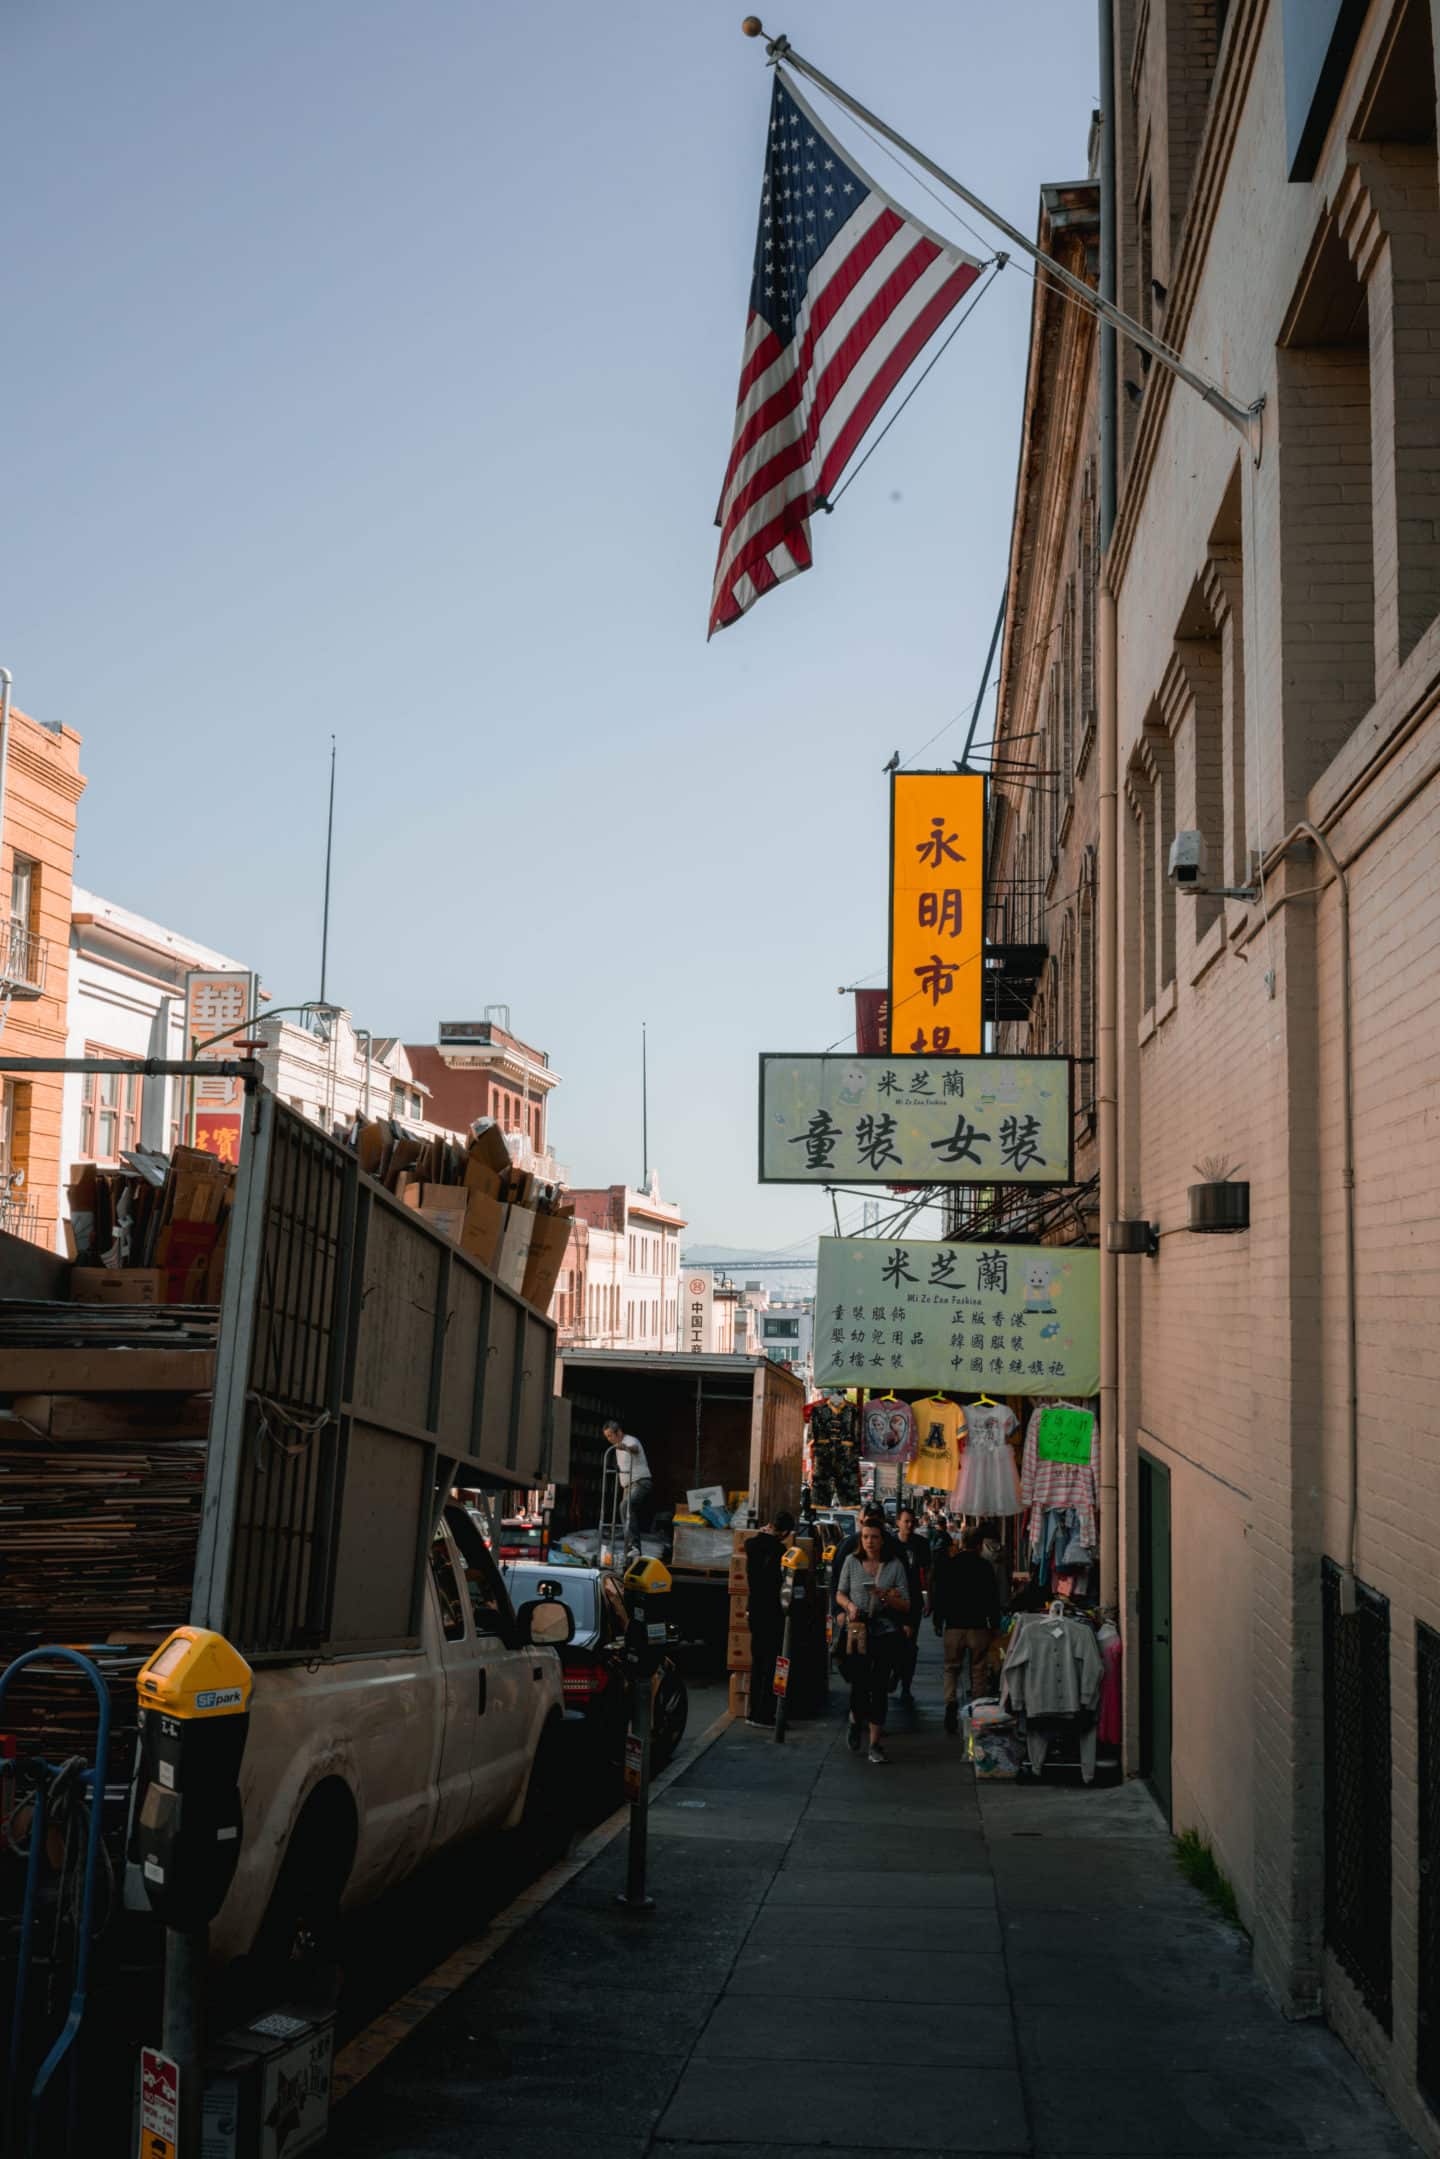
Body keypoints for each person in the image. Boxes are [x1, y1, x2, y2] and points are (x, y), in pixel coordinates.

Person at [835, 1517, 910, 1763]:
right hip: (857, 1632)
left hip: (885, 1633)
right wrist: (849, 1606)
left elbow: (906, 1602)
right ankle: (856, 1721)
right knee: (859, 1685)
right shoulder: (851, 1562)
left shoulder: (894, 1566)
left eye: (874, 1537)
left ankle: (875, 1744)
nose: (869, 1542)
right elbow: (840, 1593)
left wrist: (887, 1597)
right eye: (865, 1536)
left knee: (879, 1688)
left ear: (882, 1539)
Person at [931, 1524, 1002, 1734]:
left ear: (962, 1543)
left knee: (951, 1668)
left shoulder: (949, 1565)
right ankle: (977, 1709)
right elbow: (992, 1599)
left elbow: (941, 1595)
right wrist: (995, 1625)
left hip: (954, 1626)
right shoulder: (985, 1567)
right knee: (978, 1670)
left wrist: (938, 1620)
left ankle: (950, 1702)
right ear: (980, 1546)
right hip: (978, 1627)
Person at [744, 1508, 795, 1728]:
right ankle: (764, 1714)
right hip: (772, 1612)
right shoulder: (779, 1550)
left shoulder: (753, 1544)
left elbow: (753, 1543)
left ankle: (752, 1711)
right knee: (771, 1664)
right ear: (783, 1532)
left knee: (757, 1663)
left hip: (754, 1609)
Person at [892, 1507, 930, 1706]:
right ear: (898, 1522)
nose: (909, 1525)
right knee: (893, 1642)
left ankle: (905, 1685)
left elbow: (927, 1572)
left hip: (913, 1600)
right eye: (905, 1521)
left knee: (909, 1645)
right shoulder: (890, 1543)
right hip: (892, 1600)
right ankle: (895, 1674)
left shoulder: (921, 1544)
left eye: (912, 1522)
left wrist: (928, 1598)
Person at [603, 1420, 652, 1550]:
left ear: (618, 1432)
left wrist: (626, 1448)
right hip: (628, 1485)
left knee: (625, 1507)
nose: (609, 1439)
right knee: (626, 1515)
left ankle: (634, 1546)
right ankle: (628, 1550)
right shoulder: (617, 1447)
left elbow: (634, 1449)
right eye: (607, 1437)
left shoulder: (630, 1440)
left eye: (610, 1435)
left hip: (640, 1482)